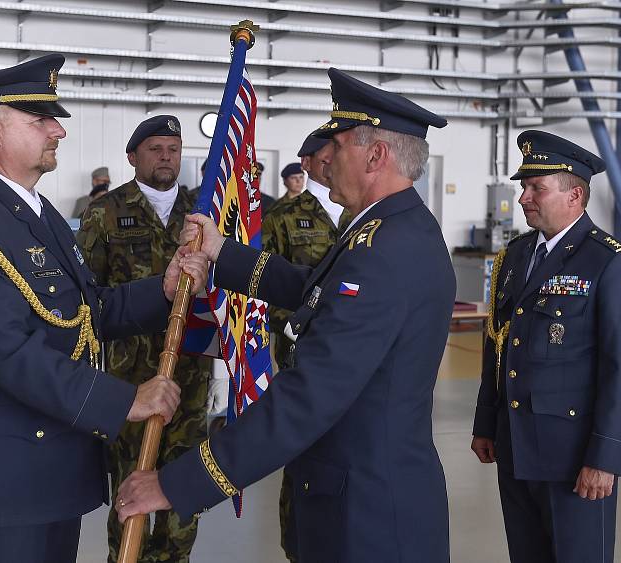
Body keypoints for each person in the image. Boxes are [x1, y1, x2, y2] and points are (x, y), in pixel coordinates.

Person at [115, 67, 454, 563]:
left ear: (376, 155)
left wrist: (177, 483)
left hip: (368, 516)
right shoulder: (383, 232)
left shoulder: (386, 249)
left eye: (336, 148)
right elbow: (311, 290)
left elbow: (310, 395)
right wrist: (222, 253)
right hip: (350, 492)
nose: (323, 160)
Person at [0, 54, 207, 563]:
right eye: (40, 120)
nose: (58, 131)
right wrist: (123, 402)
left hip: (48, 473)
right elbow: (7, 352)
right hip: (3, 483)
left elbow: (82, 311)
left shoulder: (32, 209)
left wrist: (161, 291)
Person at [470, 130, 621, 563]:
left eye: (536, 188)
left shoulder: (610, 262)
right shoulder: (514, 257)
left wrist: (605, 458)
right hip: (515, 447)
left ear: (575, 194)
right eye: (523, 187)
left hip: (574, 458)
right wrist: (485, 422)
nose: (523, 198)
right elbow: (496, 343)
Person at [77, 114, 212, 563]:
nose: (166, 156)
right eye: (155, 149)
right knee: (130, 495)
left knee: (183, 500)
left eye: (173, 148)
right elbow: (87, 300)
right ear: (133, 156)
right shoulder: (104, 212)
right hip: (129, 384)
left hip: (189, 380)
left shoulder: (204, 214)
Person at [261, 131, 349, 562]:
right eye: (328, 156)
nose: (334, 163)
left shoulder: (360, 211)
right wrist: (294, 325)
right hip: (301, 354)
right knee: (302, 452)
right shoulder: (282, 215)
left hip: (352, 355)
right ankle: (298, 545)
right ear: (309, 161)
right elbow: (262, 286)